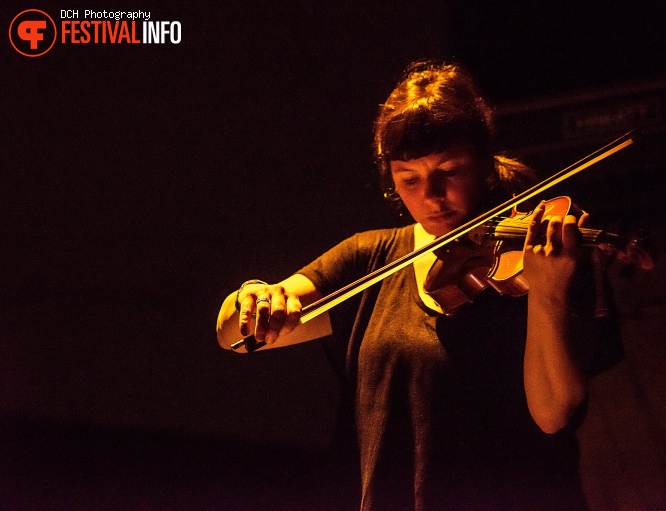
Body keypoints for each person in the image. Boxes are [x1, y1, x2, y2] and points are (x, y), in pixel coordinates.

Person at [216, 60, 622, 510]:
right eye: (409, 179)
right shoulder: (370, 259)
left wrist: (549, 291)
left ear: (485, 164)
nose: (430, 195)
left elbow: (554, 414)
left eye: (449, 171)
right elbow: (233, 336)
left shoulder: (549, 257)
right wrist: (254, 294)